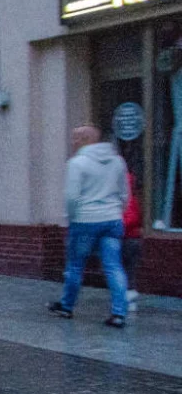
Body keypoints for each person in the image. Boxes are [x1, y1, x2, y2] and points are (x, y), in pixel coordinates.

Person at [48, 125, 130, 328]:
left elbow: (72, 197)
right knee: (114, 267)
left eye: (76, 138)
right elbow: (124, 192)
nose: (73, 142)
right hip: (112, 221)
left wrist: (69, 220)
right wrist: (117, 211)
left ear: (86, 139)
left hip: (85, 220)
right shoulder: (117, 161)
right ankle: (119, 313)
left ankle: (66, 307)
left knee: (75, 266)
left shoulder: (77, 163)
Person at [123, 172, 142, 312]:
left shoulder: (125, 201)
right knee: (130, 269)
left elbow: (130, 220)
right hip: (134, 239)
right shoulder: (134, 200)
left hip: (127, 239)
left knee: (124, 269)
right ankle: (129, 295)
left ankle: (128, 297)